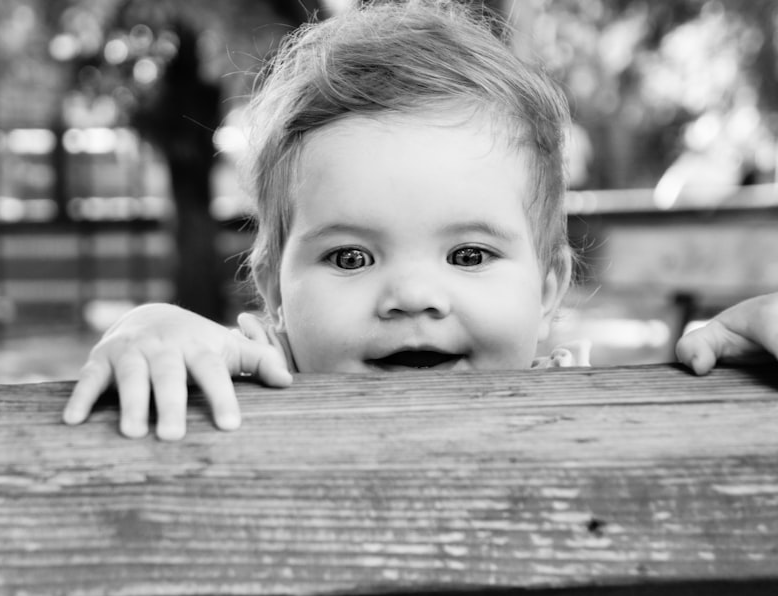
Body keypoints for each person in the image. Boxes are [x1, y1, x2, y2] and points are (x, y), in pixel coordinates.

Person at [62, 0, 778, 440]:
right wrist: (150, 332)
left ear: (550, 285)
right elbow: (176, 353)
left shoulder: (595, 411)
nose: (411, 295)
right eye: (349, 258)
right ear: (274, 293)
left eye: (468, 256)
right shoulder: (252, 387)